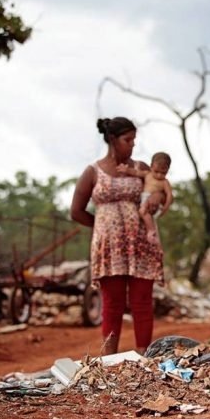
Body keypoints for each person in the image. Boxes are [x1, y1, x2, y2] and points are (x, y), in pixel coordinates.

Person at [71, 117, 164, 355]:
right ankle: (108, 360)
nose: (132, 144)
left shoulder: (141, 168)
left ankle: (144, 357)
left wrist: (156, 198)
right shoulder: (93, 172)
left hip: (141, 244)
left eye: (134, 139)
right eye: (127, 140)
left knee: (142, 302)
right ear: (113, 140)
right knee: (112, 304)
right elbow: (76, 211)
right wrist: (102, 227)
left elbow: (160, 190)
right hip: (109, 248)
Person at [116, 152, 173, 244]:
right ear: (151, 166)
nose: (159, 175)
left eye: (163, 173)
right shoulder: (148, 174)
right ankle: (149, 230)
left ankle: (151, 230)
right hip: (144, 198)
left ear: (168, 170)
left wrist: (166, 207)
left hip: (152, 201)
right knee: (143, 213)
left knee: (142, 211)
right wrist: (126, 170)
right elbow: (136, 172)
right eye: (156, 171)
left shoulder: (165, 182)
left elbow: (169, 195)